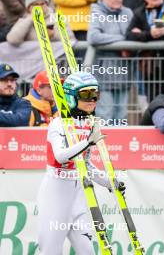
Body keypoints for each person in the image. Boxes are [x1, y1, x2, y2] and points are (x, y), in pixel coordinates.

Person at [37, 71, 125, 254]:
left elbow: (85, 164)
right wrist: (87, 142)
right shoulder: (57, 124)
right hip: (56, 194)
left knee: (88, 251)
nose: (92, 99)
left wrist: (110, 182)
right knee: (50, 251)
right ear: (71, 97)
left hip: (78, 196)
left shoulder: (89, 124)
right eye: (85, 94)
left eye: (96, 94)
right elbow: (61, 156)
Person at [87, 0, 133, 122]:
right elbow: (93, 37)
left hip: (124, 73)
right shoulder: (97, 11)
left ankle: (121, 143)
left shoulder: (128, 13)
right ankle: (103, 143)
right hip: (104, 74)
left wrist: (130, 46)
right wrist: (123, 40)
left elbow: (135, 35)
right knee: (105, 114)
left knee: (122, 115)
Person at [126, 0, 164, 104]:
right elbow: (129, 35)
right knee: (155, 103)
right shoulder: (139, 12)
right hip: (151, 67)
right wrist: (149, 34)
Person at [6, 0, 75, 46]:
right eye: (35, 4)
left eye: (42, 3)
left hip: (58, 60)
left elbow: (71, 40)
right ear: (28, 7)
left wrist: (53, 35)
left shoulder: (58, 18)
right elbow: (12, 40)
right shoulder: (24, 21)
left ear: (47, 4)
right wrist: (30, 19)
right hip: (34, 62)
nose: (40, 7)